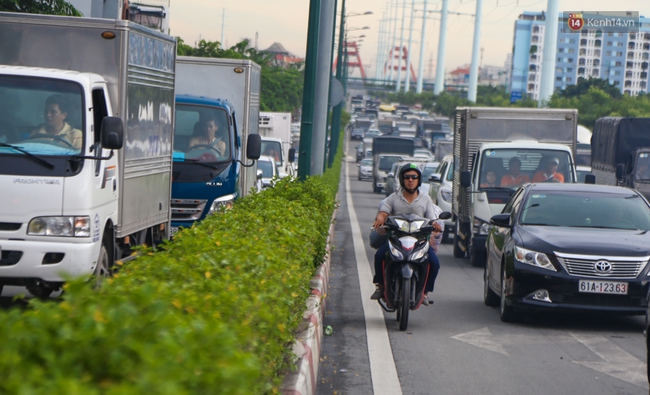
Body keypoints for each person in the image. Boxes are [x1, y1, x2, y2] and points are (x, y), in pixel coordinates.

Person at [371, 163, 444, 305]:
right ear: (402, 179)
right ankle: (380, 286)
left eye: (414, 177)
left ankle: (425, 293)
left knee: (434, 263)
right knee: (380, 255)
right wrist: (380, 218)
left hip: (419, 240)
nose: (410, 180)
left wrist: (435, 225)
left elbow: (431, 218)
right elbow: (383, 212)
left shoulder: (426, 199)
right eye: (407, 177)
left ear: (419, 180)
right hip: (396, 239)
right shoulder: (393, 198)